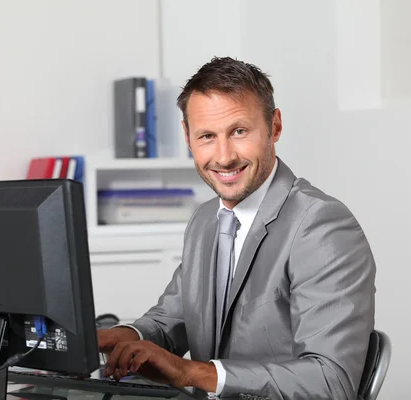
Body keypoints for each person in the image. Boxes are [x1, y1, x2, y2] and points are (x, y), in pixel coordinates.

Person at [98, 56, 376, 399]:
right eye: (207, 136)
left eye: (239, 131)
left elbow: (331, 381)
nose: (224, 156)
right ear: (188, 137)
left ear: (274, 127)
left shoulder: (321, 226)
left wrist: (193, 372)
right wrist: (126, 336)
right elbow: (173, 319)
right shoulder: (205, 221)